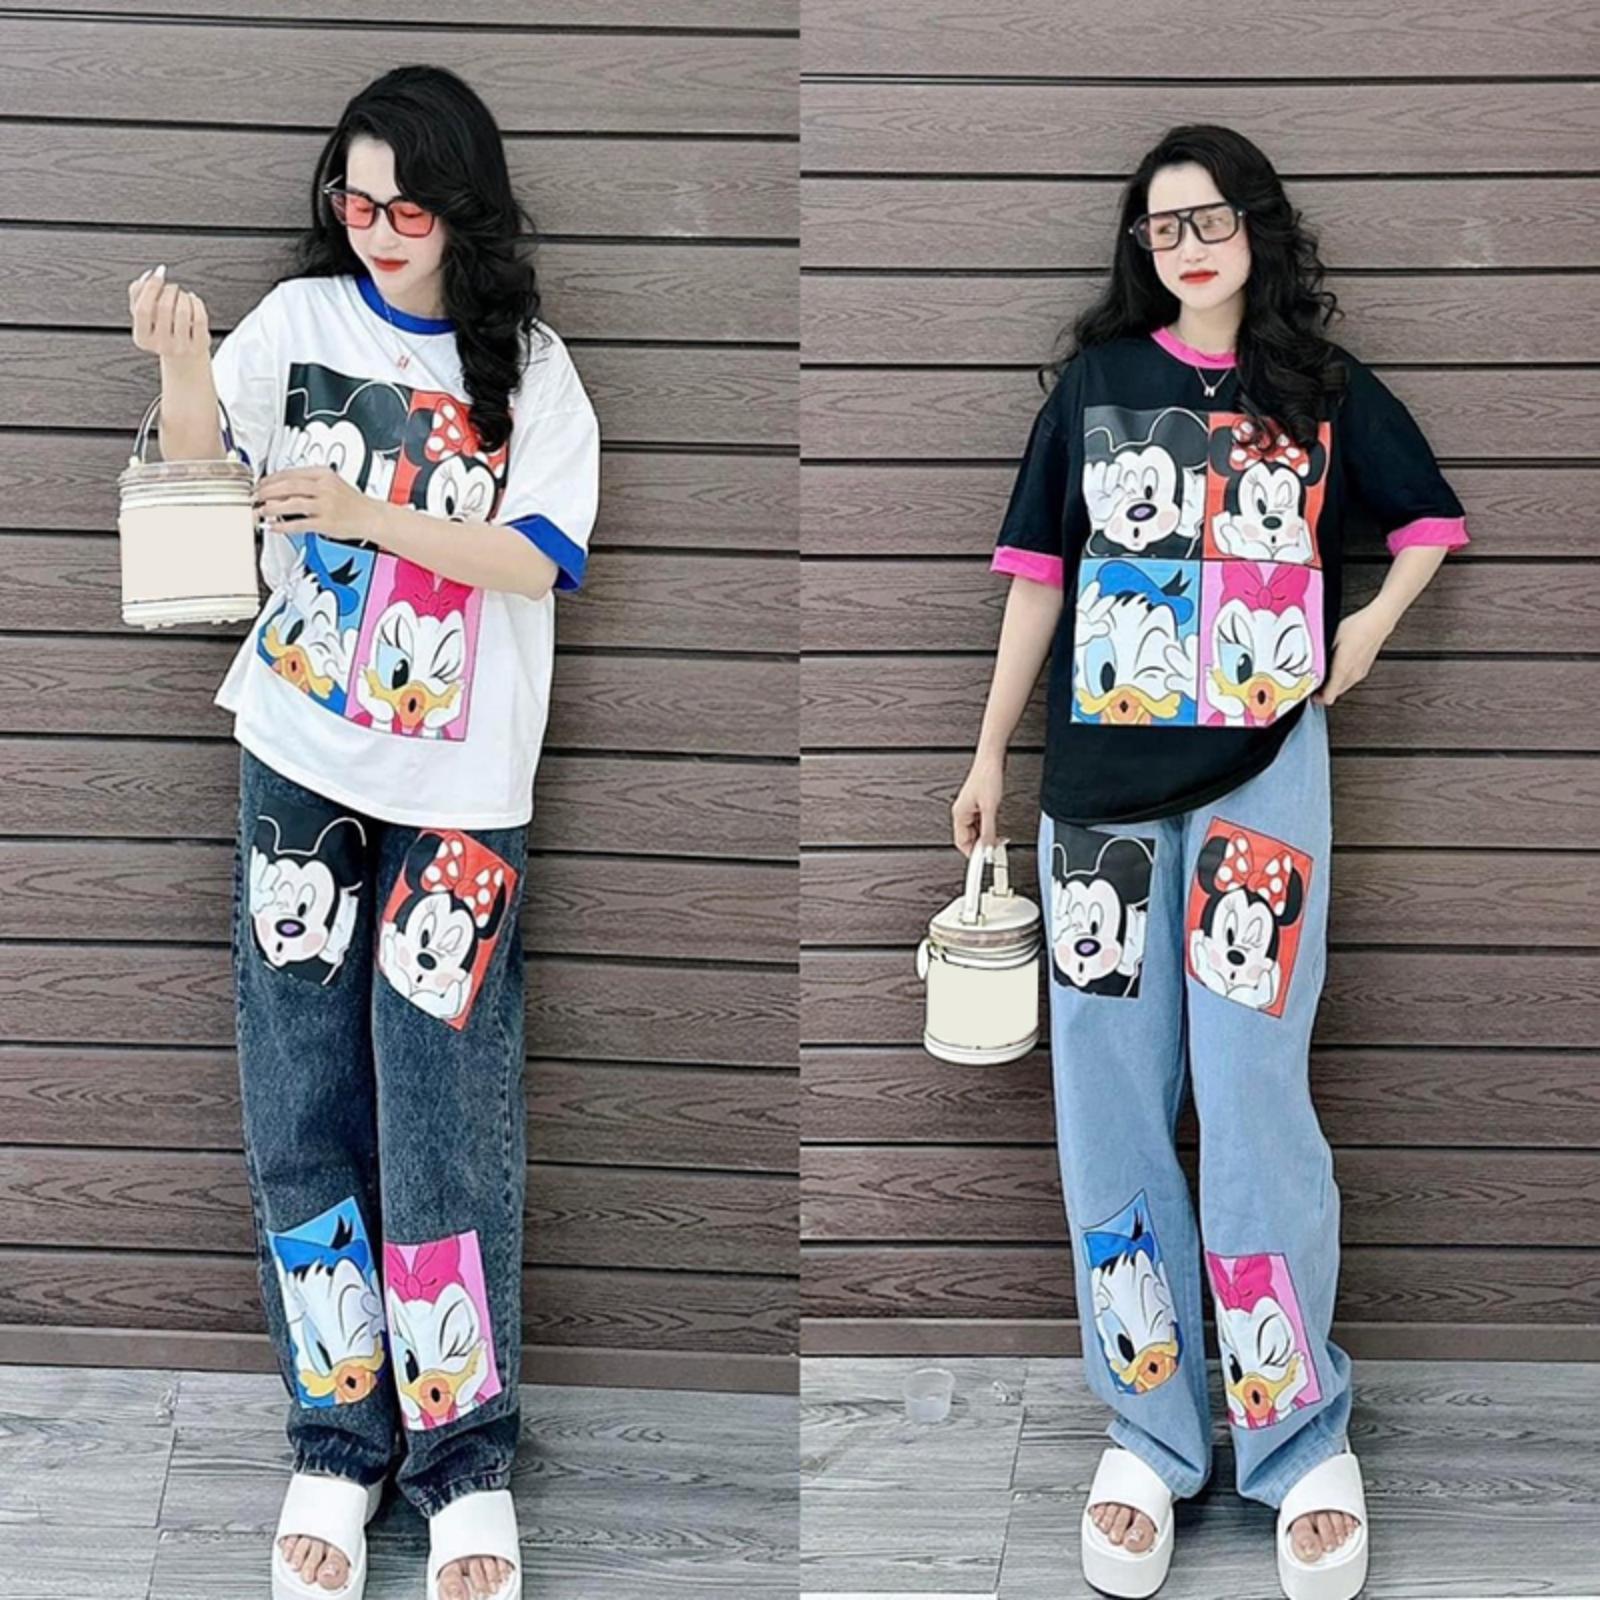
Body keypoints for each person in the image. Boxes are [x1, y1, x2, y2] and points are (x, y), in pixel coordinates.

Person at [951, 124, 1469, 1600]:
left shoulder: (1318, 389)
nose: (1187, 244)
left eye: (1210, 217)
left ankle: (1297, 1436)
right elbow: (1038, 579)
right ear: (1141, 246)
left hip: (1264, 778)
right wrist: (988, 756)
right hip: (1098, 805)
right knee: (1110, 1113)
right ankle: (1152, 1430)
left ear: (1258, 228)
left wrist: (1365, 627)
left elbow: (1431, 521)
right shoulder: (1096, 388)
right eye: (1161, 224)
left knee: (1253, 1105)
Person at [126, 63, 599, 1600]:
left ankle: (463, 1459)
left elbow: (537, 559)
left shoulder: (530, 368)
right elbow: (197, 474)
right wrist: (185, 367)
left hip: (462, 799)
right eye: (357, 199)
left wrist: (367, 512)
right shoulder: (299, 322)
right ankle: (337, 1439)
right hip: (300, 761)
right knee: (302, 1099)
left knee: (443, 1115)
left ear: (465, 208)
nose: (378, 229)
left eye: (408, 205)